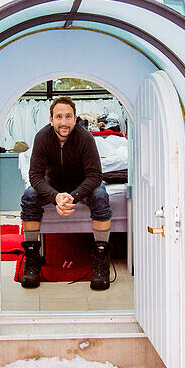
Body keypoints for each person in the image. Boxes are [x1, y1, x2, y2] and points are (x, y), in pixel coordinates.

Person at [19, 96, 112, 290]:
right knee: (29, 196)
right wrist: (55, 197)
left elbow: (95, 175)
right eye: (59, 117)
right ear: (51, 119)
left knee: (101, 196)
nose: (64, 122)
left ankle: (101, 258)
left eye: (68, 116)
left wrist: (73, 196)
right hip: (53, 184)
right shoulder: (42, 137)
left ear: (75, 118)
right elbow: (35, 176)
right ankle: (32, 257)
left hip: (82, 183)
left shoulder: (85, 138)